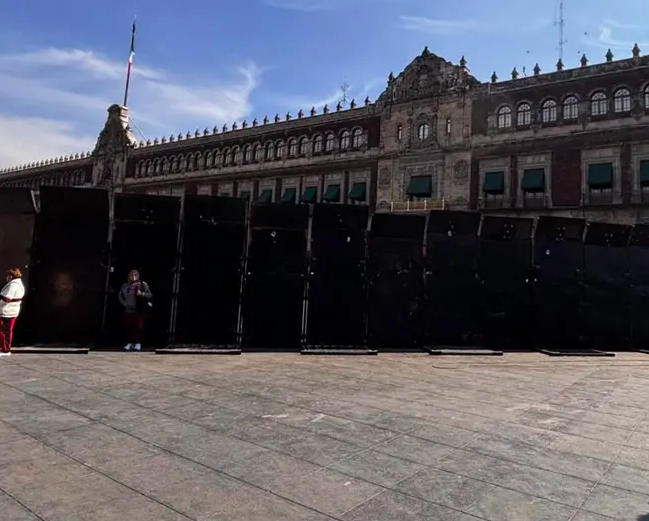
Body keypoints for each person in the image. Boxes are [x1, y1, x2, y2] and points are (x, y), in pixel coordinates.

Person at [118, 269, 152, 351]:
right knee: (129, 327)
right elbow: (120, 295)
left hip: (139, 309)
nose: (133, 277)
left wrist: (142, 294)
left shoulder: (142, 284)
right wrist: (124, 304)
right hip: (128, 309)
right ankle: (130, 343)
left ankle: (138, 343)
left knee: (138, 327)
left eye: (135, 275)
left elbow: (150, 295)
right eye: (132, 275)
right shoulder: (125, 286)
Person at [0, 268, 26, 356]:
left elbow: (7, 298)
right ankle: (4, 348)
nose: (7, 277)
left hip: (7, 311)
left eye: (8, 275)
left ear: (11, 276)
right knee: (7, 331)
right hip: (12, 311)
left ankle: (5, 350)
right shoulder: (19, 284)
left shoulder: (13, 285)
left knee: (5, 331)